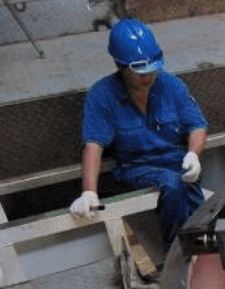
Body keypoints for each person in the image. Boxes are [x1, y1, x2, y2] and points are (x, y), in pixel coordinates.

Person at [69, 18, 208, 257]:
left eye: (152, 69)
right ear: (120, 66)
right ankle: (176, 256)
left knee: (193, 194)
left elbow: (196, 125)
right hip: (135, 167)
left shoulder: (171, 85)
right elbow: (94, 144)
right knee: (172, 184)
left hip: (175, 160)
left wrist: (194, 154)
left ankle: (203, 247)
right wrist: (89, 192)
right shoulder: (102, 95)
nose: (148, 77)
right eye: (140, 72)